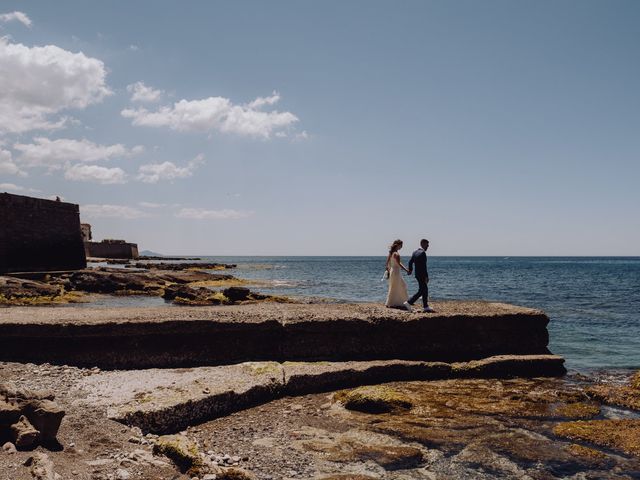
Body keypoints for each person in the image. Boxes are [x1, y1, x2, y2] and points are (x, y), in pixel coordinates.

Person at [407, 239, 435, 313]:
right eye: (427, 245)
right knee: (422, 290)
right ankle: (409, 302)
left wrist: (410, 270)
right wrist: (427, 276)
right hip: (422, 275)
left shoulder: (415, 252)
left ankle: (425, 306)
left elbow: (410, 262)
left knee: (424, 290)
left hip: (417, 274)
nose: (428, 246)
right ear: (422, 243)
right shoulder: (422, 253)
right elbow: (424, 266)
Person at [385, 239, 412, 310]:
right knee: (402, 286)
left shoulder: (391, 253)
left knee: (395, 286)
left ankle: (394, 302)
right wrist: (407, 270)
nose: (402, 247)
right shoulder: (396, 254)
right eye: (401, 245)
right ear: (398, 245)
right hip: (396, 272)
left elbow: (387, 264)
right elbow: (399, 264)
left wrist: (388, 271)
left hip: (392, 271)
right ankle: (396, 303)